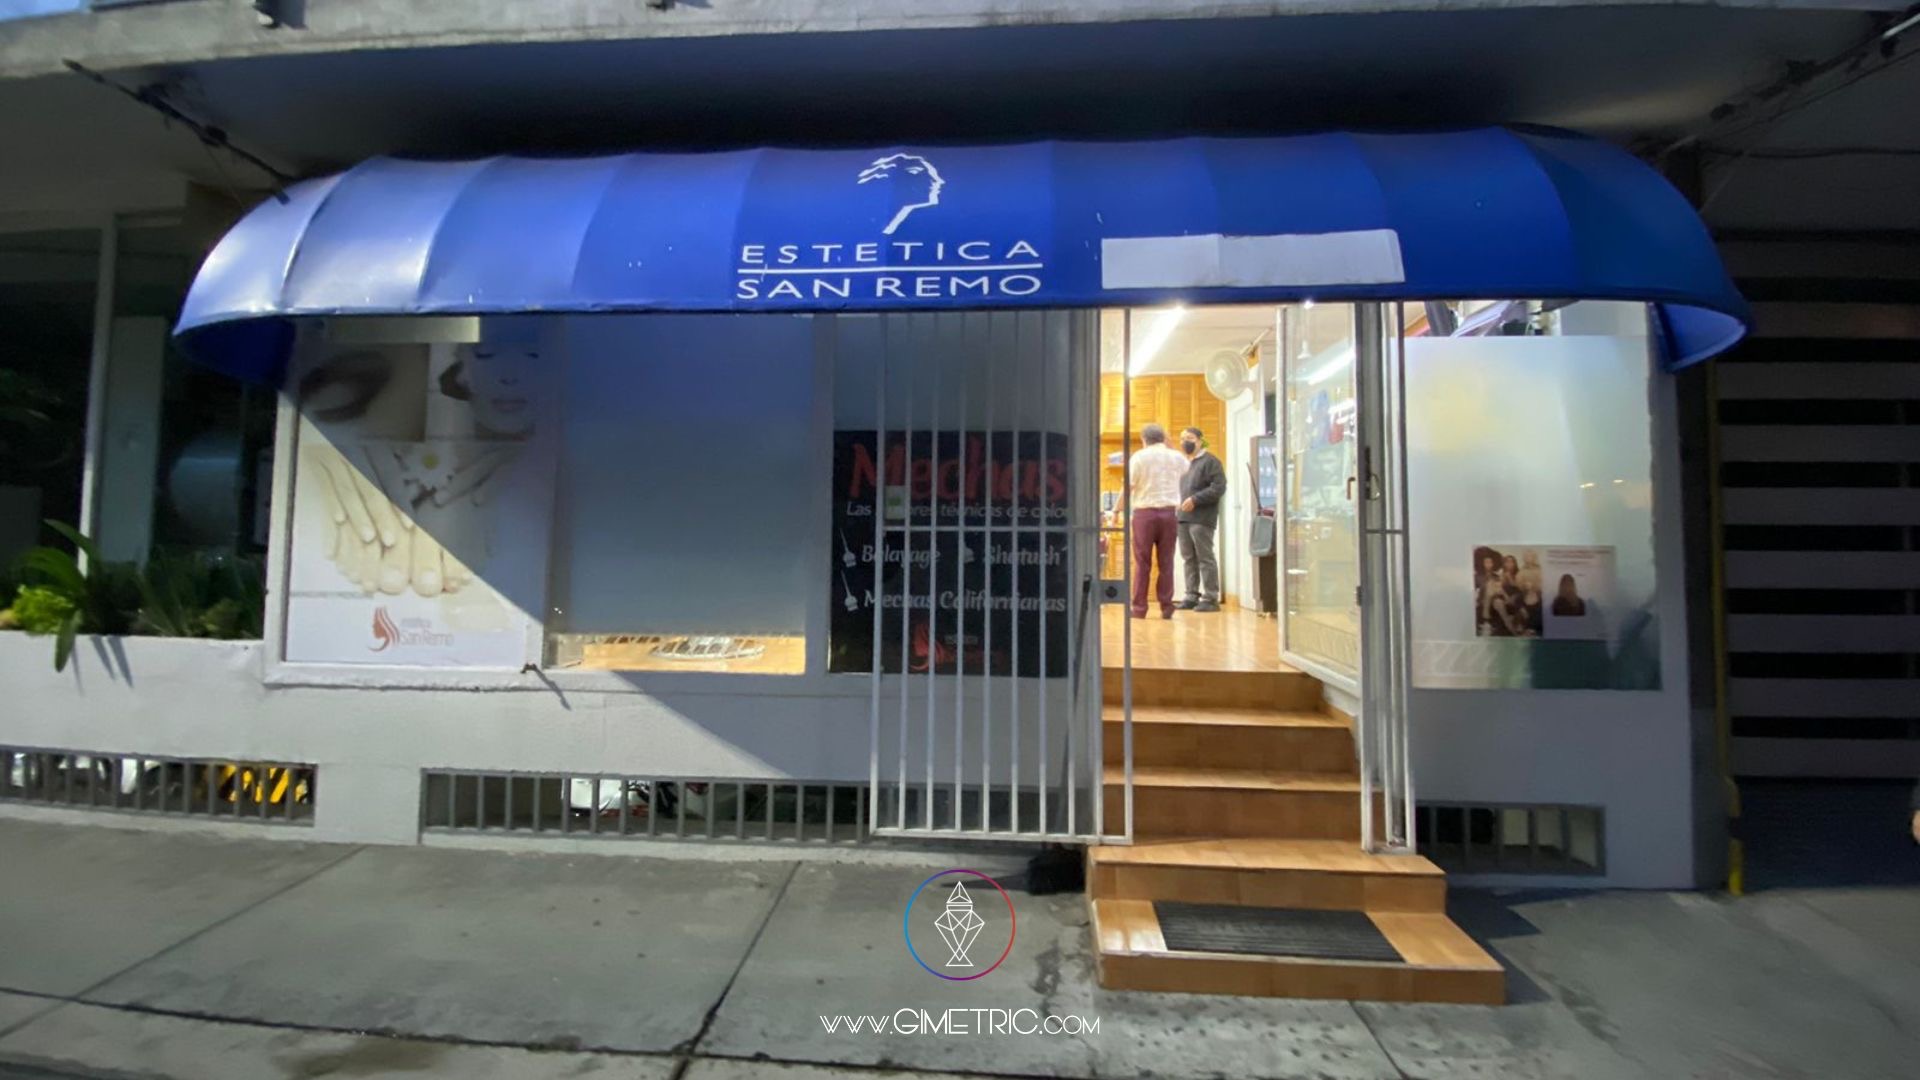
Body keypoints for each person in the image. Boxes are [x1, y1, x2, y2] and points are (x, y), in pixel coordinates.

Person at [1128, 423, 1188, 619]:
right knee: (1166, 562)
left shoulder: (1138, 457)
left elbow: (1129, 485)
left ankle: (1139, 608)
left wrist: (1117, 508)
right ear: (1163, 438)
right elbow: (1186, 467)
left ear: (1144, 439)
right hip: (1169, 514)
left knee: (1142, 563)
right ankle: (1166, 606)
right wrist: (1170, 445)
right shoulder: (1176, 457)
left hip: (1144, 514)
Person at [1175, 426, 1227, 612]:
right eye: (1182, 438)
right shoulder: (1184, 464)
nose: (1185, 442)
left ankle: (1211, 598)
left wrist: (1195, 499)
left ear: (1200, 440)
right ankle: (1191, 595)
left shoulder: (1211, 461)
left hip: (1202, 518)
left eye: (1189, 438)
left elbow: (1219, 487)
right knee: (1188, 558)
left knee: (1205, 557)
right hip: (1182, 518)